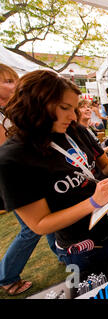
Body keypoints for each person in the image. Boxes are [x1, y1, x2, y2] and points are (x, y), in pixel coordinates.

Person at [0, 70, 108, 276]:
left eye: (74, 108)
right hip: (83, 246)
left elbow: (104, 166)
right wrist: (93, 202)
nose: (73, 116)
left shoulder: (75, 130)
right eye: (65, 108)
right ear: (36, 104)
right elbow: (39, 224)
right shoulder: (14, 158)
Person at [0, 64, 59, 296]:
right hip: (17, 179)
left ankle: (63, 252)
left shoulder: (11, 111)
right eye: (7, 81)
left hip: (33, 173)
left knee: (51, 215)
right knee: (32, 229)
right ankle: (7, 276)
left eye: (14, 80)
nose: (14, 85)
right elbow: (8, 152)